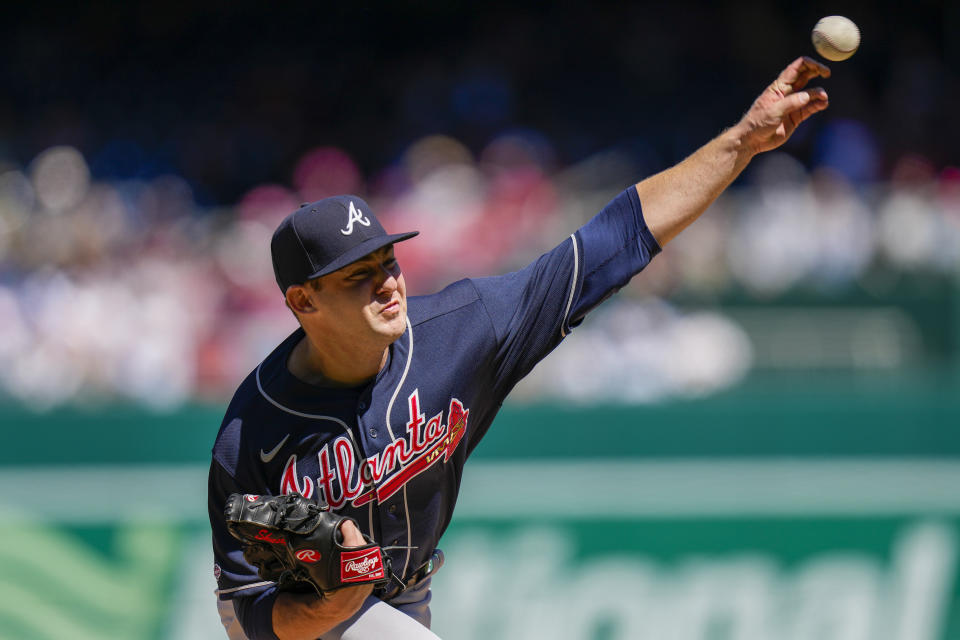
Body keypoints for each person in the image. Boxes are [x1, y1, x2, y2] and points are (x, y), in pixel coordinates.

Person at [208, 56, 831, 640]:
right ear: (304, 302)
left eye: (387, 260)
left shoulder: (461, 329)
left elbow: (612, 241)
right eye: (357, 275)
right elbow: (241, 609)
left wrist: (744, 139)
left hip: (408, 597)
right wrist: (328, 605)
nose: (389, 282)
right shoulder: (252, 428)